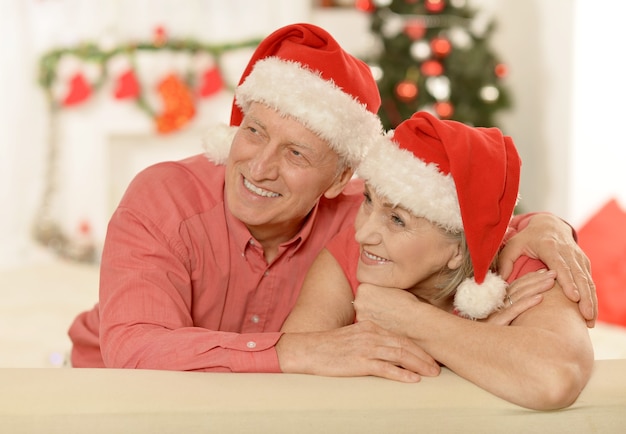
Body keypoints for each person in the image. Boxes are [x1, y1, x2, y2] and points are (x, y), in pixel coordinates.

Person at [68, 23, 595, 379]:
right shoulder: (164, 198)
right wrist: (300, 350)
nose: (258, 165)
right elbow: (134, 349)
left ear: (341, 175)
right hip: (115, 394)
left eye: (296, 152)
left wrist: (544, 226)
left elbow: (459, 215)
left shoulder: (360, 216)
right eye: (253, 131)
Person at [281, 112, 594, 410]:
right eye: (368, 200)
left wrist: (411, 321)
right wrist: (478, 341)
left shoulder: (525, 260)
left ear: (458, 251)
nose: (363, 234)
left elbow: (555, 378)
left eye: (397, 220)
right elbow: (294, 370)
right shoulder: (350, 254)